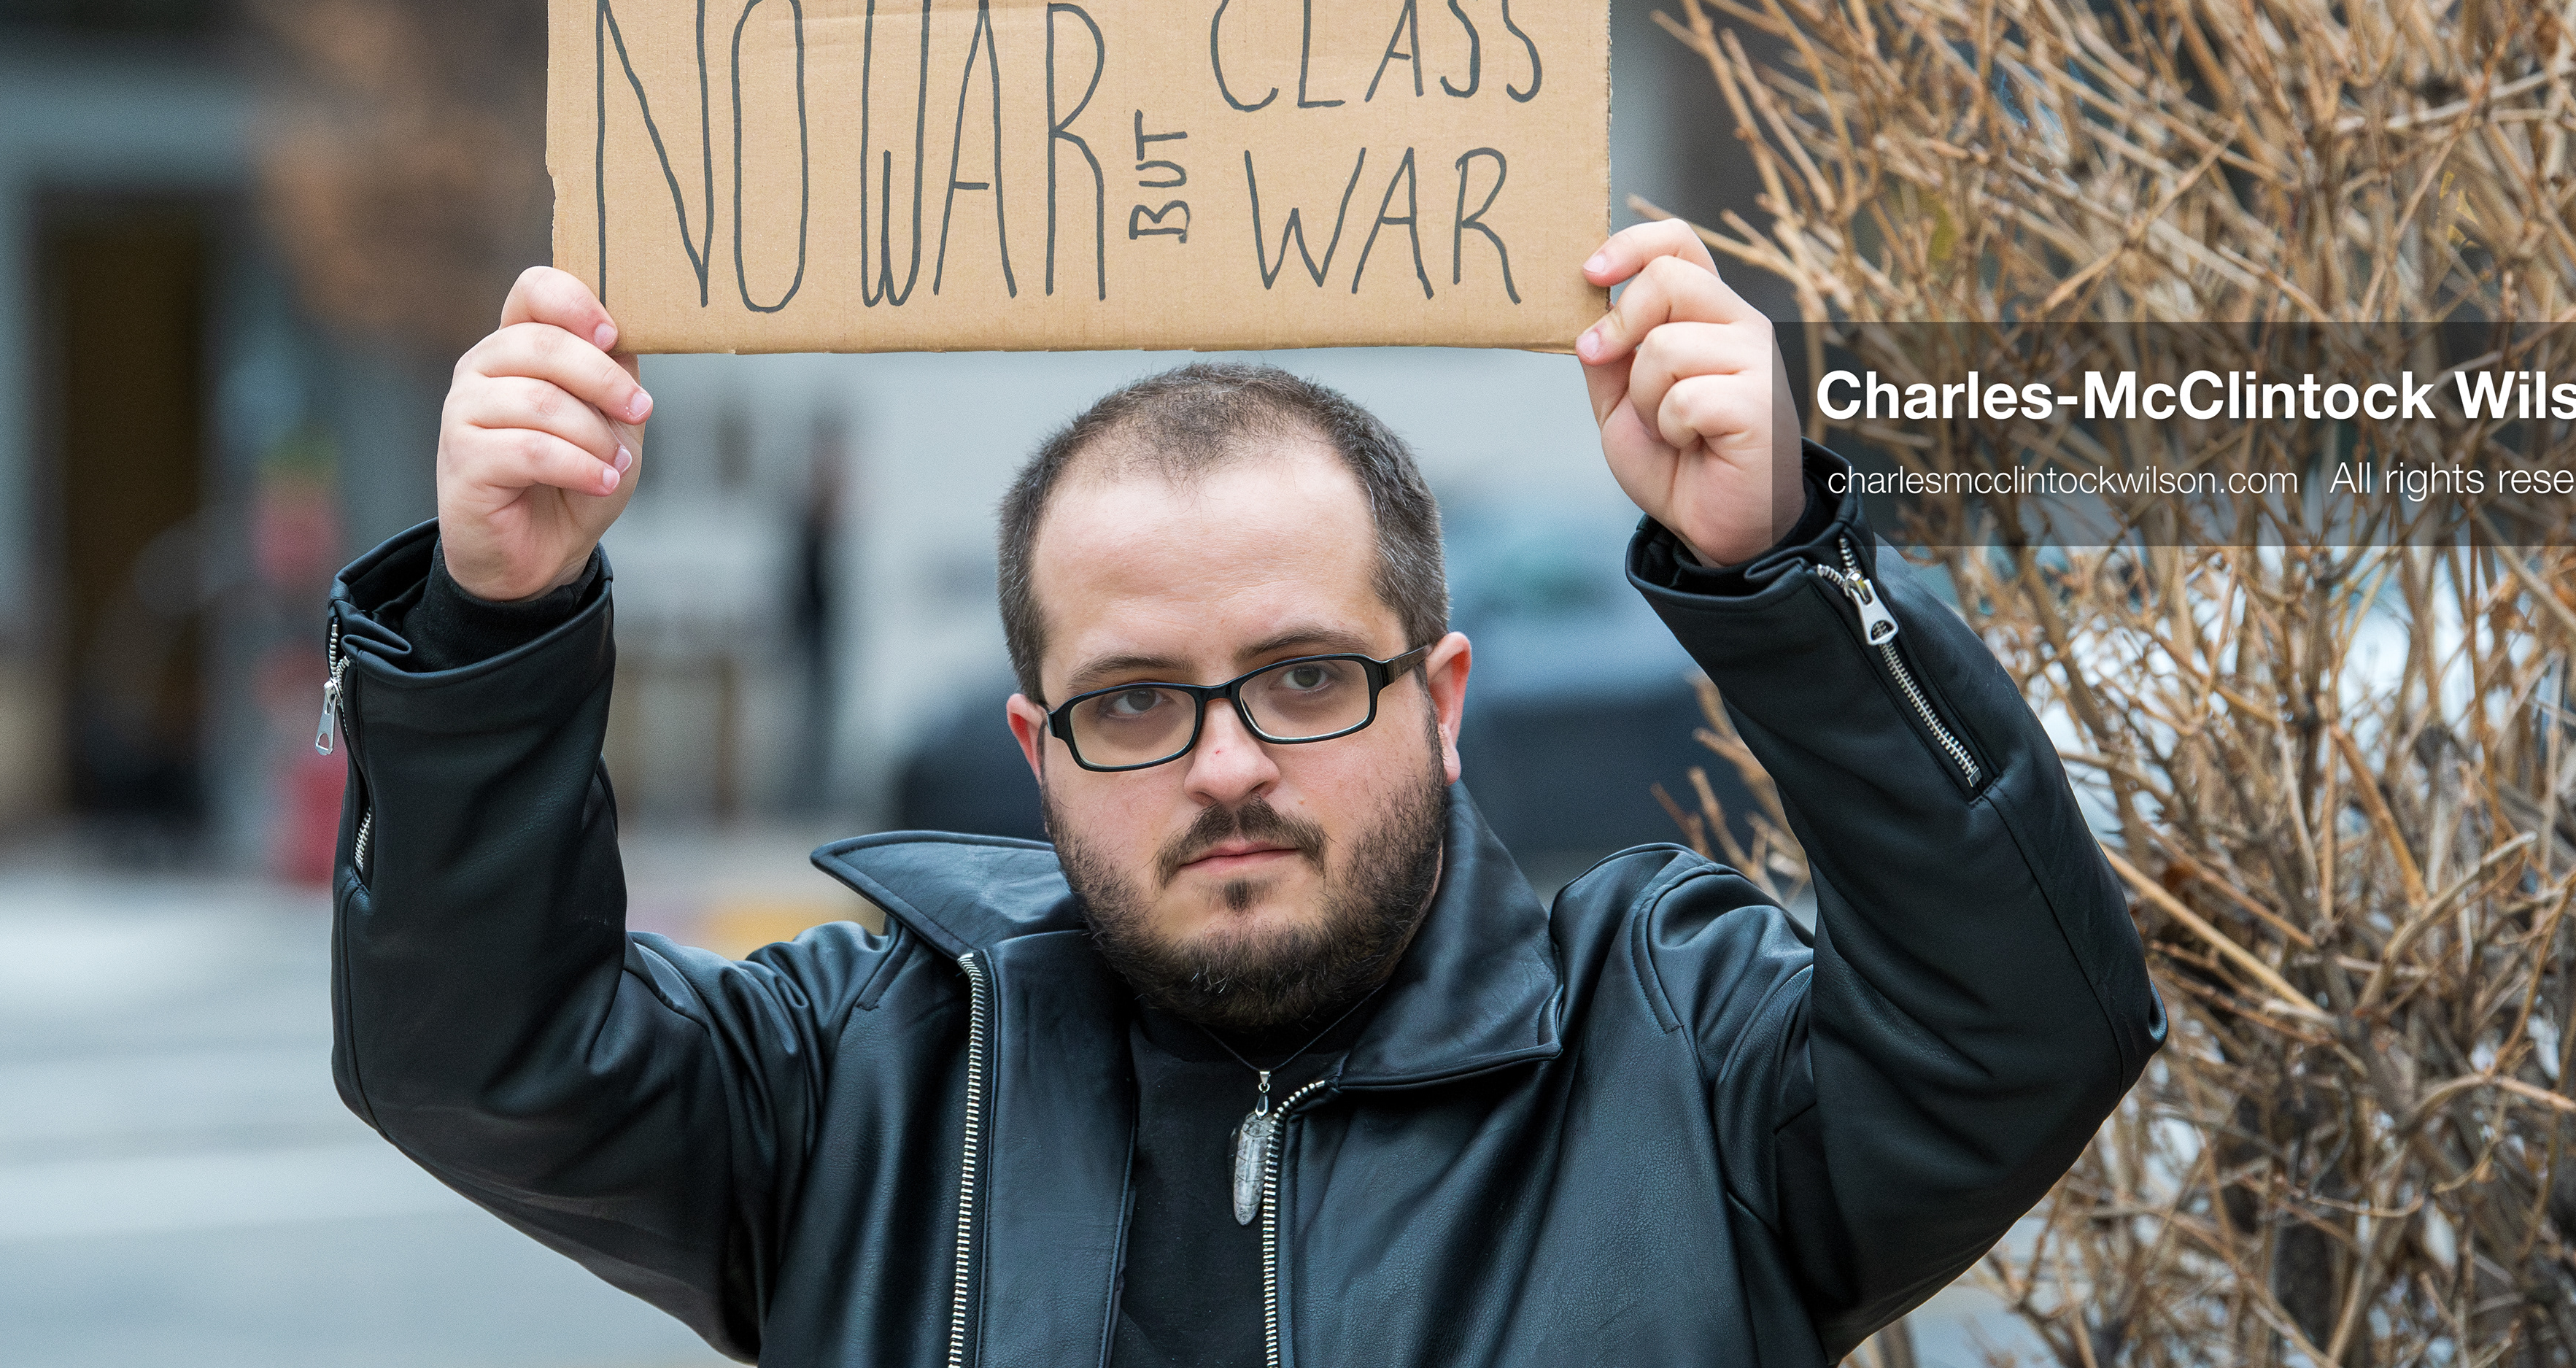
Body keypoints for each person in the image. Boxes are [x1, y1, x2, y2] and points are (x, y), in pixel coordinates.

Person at [325, 221, 2160, 1368]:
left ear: (1442, 698)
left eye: (1303, 676)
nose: (1227, 764)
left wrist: (1788, 573)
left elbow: (2018, 1031)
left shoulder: (1677, 1052)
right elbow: (479, 1054)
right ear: (1038, 751)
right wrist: (498, 620)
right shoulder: (858, 1085)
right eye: (1134, 699)